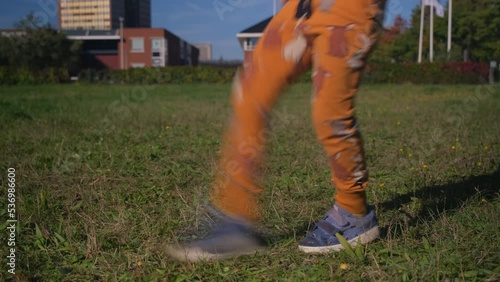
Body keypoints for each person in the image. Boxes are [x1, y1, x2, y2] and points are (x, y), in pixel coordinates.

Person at [167, 0, 387, 262]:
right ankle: (234, 218)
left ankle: (354, 211)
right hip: (301, 7)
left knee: (330, 113)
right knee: (249, 93)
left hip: (349, 8)